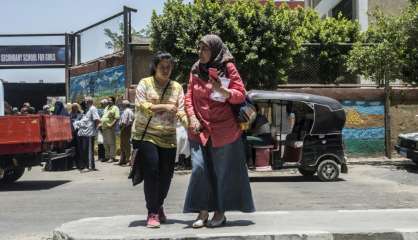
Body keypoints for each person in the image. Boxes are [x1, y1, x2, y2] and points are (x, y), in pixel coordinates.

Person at [183, 34, 255, 228]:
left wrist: (223, 91)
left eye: (205, 49)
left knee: (221, 173)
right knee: (199, 169)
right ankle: (202, 211)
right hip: (199, 130)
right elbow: (188, 97)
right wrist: (191, 117)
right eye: (199, 48)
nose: (201, 52)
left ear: (215, 50)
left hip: (224, 131)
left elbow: (240, 95)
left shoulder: (228, 67)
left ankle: (220, 213)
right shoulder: (196, 69)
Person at [131, 52, 187, 228]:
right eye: (162, 66)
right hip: (147, 135)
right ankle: (152, 212)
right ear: (155, 67)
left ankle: (159, 204)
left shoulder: (177, 87)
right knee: (152, 171)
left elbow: (182, 110)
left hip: (169, 136)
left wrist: (190, 122)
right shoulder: (144, 83)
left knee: (167, 176)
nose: (165, 70)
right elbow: (141, 105)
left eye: (169, 67)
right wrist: (164, 106)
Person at [73, 97, 100, 171]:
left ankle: (89, 166)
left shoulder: (93, 109)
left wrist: (95, 131)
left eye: (85, 101)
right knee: (85, 150)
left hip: (89, 133)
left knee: (88, 151)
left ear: (88, 102)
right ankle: (88, 165)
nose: (84, 103)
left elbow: (97, 120)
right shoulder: (88, 110)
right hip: (85, 133)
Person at [100, 96, 120, 163]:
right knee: (105, 143)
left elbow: (117, 118)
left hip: (110, 127)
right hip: (104, 127)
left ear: (113, 101)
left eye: (110, 100)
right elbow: (103, 117)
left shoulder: (115, 108)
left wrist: (111, 125)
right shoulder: (106, 107)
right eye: (108, 100)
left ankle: (112, 157)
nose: (109, 101)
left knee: (111, 143)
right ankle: (107, 157)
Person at [118, 100, 134, 165]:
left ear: (124, 105)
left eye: (122, 104)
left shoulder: (126, 111)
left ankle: (128, 160)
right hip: (129, 128)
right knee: (126, 144)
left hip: (125, 129)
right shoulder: (130, 111)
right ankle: (124, 159)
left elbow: (124, 122)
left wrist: (121, 129)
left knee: (126, 145)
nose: (121, 105)